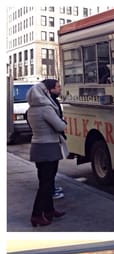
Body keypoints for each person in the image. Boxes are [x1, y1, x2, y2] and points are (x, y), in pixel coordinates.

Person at [26, 79, 68, 227]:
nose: (60, 88)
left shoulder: (31, 109)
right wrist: (64, 123)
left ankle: (49, 211)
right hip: (48, 147)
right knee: (46, 183)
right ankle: (37, 215)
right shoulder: (46, 108)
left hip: (37, 146)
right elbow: (59, 126)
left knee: (46, 181)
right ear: (47, 91)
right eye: (57, 87)